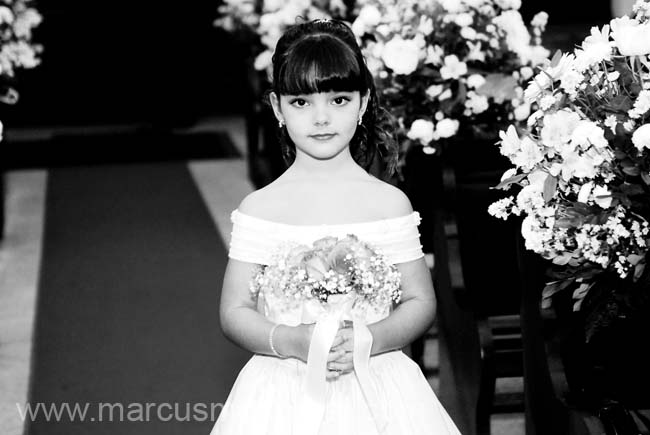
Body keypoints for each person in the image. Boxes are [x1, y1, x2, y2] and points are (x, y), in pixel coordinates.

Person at [210, 18, 462, 435]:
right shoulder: (261, 207)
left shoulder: (388, 203)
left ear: (363, 103)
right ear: (277, 108)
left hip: (378, 379)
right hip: (283, 385)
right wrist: (290, 340)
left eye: (339, 100)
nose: (321, 118)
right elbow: (234, 311)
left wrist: (371, 338)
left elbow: (420, 301)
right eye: (302, 102)